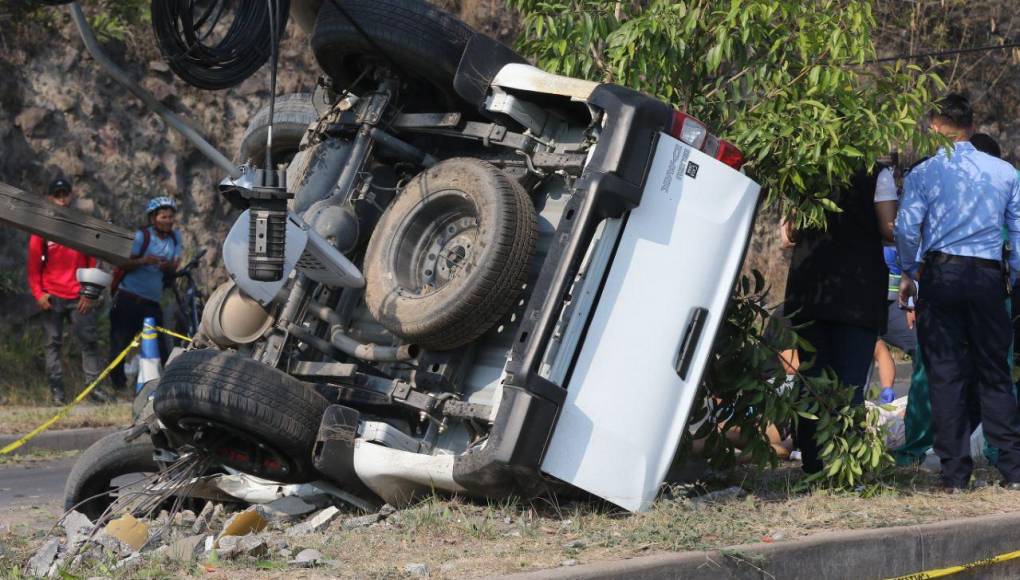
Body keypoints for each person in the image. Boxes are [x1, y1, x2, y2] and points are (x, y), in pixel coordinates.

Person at [895, 94, 1020, 491]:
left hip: (941, 274)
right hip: (987, 277)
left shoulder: (923, 173)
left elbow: (905, 229)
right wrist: (1012, 275)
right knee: (994, 371)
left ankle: (954, 475)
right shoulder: (1005, 172)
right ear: (973, 124)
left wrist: (910, 271)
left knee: (945, 375)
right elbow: (1017, 231)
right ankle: (1014, 470)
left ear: (934, 125)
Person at [781, 163, 895, 474]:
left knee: (811, 380)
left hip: (811, 290)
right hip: (858, 291)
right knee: (850, 383)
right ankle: (846, 464)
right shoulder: (878, 173)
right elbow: (889, 228)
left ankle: (814, 462)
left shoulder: (804, 166)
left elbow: (788, 232)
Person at [27, 178, 103, 404]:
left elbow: (92, 262)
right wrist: (38, 293)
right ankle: (57, 392)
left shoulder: (80, 227)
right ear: (50, 198)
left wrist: (89, 293)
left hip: (79, 297)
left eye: (65, 194)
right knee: (52, 344)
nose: (61, 198)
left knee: (89, 342)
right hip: (53, 296)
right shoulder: (42, 230)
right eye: (57, 194)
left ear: (70, 196)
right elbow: (33, 267)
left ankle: (95, 390)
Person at [108, 196, 183, 394]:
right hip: (129, 299)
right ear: (153, 219)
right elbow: (122, 263)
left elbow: (174, 265)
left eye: (170, 217)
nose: (167, 220)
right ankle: (118, 387)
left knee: (161, 345)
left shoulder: (175, 238)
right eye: (163, 216)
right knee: (119, 344)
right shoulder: (142, 237)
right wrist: (143, 261)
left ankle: (167, 386)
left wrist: (167, 267)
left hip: (152, 302)